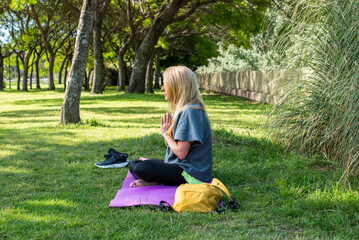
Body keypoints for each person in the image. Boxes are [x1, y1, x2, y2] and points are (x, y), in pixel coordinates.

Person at [129, 66, 213, 188]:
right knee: (135, 163)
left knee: (142, 168)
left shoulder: (189, 112)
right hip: (179, 167)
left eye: (165, 85)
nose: (162, 89)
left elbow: (181, 152)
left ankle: (155, 180)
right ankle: (156, 179)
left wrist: (166, 134)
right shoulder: (185, 110)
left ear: (177, 87)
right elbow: (172, 147)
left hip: (192, 176)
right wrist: (168, 134)